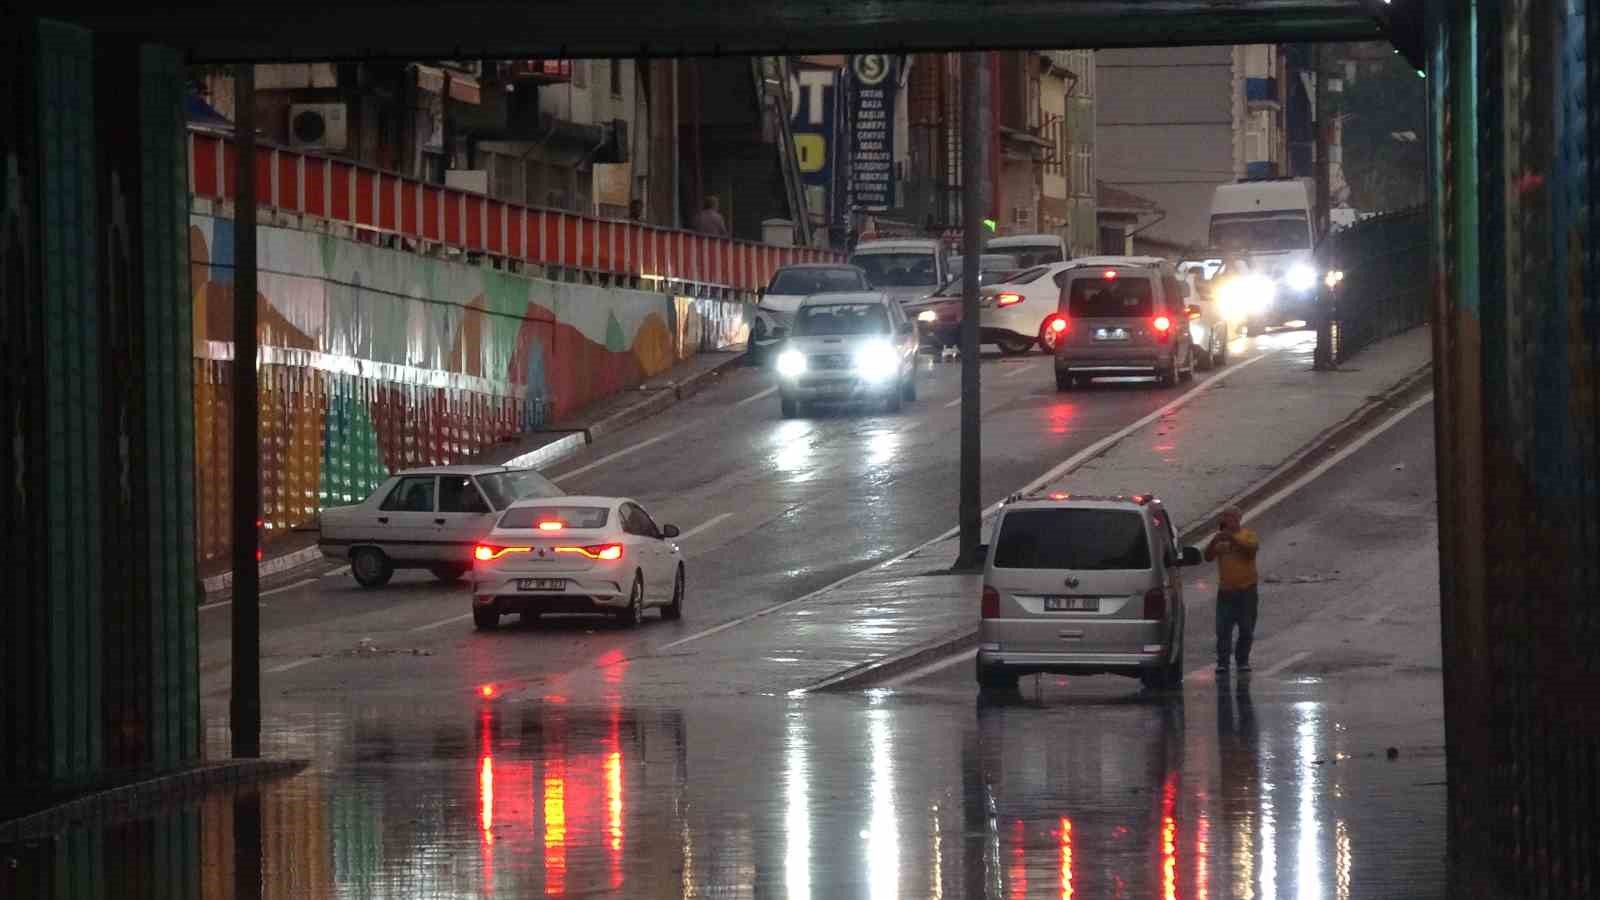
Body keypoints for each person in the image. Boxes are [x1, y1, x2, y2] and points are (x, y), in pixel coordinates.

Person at [1205, 505, 1261, 675]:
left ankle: (1242, 660)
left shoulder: (1248, 535)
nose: (1226, 520)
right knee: (1223, 630)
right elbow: (1207, 557)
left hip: (1247, 591)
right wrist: (1215, 540)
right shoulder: (1221, 540)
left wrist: (1233, 539)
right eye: (1224, 517)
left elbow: (1250, 551)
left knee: (1246, 628)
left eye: (1230, 517)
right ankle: (1222, 662)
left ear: (1238, 518)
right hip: (1226, 592)